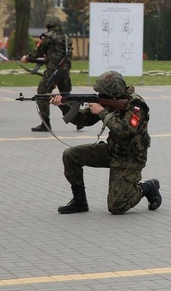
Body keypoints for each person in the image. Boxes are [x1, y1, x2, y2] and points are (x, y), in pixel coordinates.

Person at [49, 70, 162, 215]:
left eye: (102, 94)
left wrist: (102, 112)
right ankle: (79, 202)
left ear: (112, 94)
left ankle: (147, 187)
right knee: (70, 155)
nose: (99, 96)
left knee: (116, 207)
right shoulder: (107, 102)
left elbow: (125, 131)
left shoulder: (136, 105)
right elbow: (83, 119)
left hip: (131, 158)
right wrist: (63, 105)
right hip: (112, 150)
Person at [21, 15, 73, 132]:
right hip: (65, 72)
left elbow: (38, 52)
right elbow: (59, 54)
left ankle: (45, 124)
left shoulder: (48, 37)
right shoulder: (66, 38)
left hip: (52, 72)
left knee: (42, 94)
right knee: (67, 96)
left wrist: (27, 58)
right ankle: (77, 119)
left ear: (48, 25)